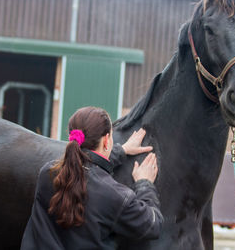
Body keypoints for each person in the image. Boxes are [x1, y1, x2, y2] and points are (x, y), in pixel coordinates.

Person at [20, 106, 163, 250]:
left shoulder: (48, 173)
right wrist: (145, 183)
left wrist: (122, 150)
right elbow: (152, 225)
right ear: (107, 140)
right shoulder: (115, 196)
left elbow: (84, 165)